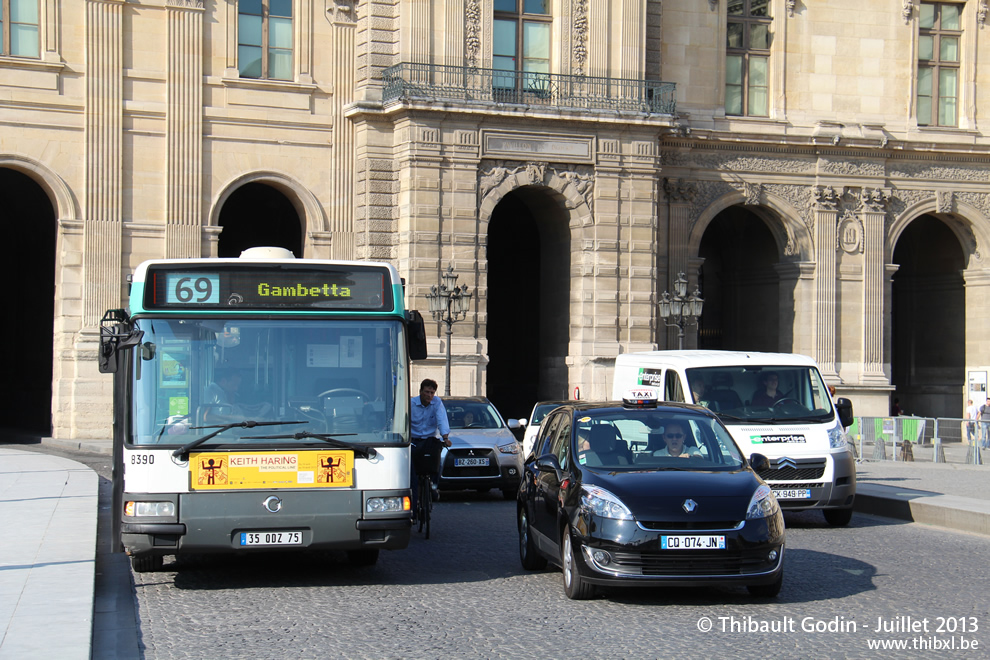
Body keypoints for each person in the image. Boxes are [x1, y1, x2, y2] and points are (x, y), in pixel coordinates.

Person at [410, 379, 451, 510]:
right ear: (420, 391)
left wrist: (445, 437)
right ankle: (414, 502)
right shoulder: (411, 404)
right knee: (413, 472)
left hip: (429, 439)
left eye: (432, 393)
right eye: (427, 392)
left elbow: (442, 419)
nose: (429, 396)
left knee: (436, 462)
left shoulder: (437, 402)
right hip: (414, 439)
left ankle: (433, 486)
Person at [203, 368, 271, 424]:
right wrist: (233, 418)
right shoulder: (211, 390)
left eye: (237, 385)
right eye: (234, 385)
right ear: (223, 381)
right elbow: (206, 417)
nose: (236, 389)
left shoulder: (227, 392)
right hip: (213, 435)